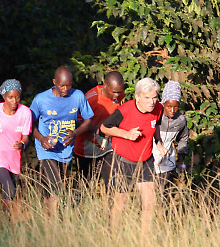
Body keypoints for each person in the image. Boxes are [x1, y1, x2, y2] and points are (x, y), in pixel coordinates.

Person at [100, 77, 163, 231]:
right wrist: (126, 134)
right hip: (124, 161)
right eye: (147, 98)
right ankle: (114, 236)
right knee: (121, 202)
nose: (152, 102)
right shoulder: (124, 110)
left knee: (150, 202)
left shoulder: (159, 108)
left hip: (146, 160)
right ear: (138, 97)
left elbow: (156, 125)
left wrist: (159, 142)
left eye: (155, 97)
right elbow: (104, 128)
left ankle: (144, 238)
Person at [30, 66, 94, 210]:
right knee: (57, 185)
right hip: (46, 149)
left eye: (69, 85)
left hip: (66, 149)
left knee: (55, 186)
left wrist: (75, 133)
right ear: (54, 82)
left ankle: (47, 216)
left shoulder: (77, 96)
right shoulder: (41, 99)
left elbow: (88, 121)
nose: (66, 89)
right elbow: (28, 123)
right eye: (62, 85)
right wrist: (41, 139)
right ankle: (54, 224)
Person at [73, 71, 126, 183]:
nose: (117, 95)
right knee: (85, 182)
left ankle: (111, 199)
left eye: (119, 92)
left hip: (107, 145)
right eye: (114, 92)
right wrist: (98, 130)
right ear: (105, 85)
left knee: (112, 179)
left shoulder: (119, 94)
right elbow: (77, 121)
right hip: (86, 145)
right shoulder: (92, 99)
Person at [153, 81, 189, 193]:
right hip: (149, 159)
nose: (172, 110)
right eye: (169, 106)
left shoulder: (180, 120)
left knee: (163, 191)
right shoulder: (155, 115)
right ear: (163, 103)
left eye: (176, 107)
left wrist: (181, 159)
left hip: (167, 161)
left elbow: (183, 138)